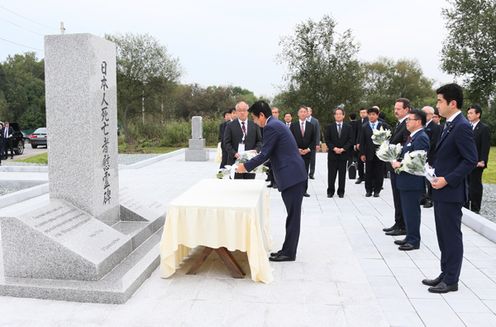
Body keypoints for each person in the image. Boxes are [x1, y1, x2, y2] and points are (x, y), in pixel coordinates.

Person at [236, 100, 307, 262]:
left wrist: (245, 167)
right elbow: (270, 151)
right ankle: (287, 249)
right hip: (293, 175)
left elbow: (265, 154)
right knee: (292, 216)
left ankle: (289, 253)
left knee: (293, 217)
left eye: (254, 118)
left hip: (292, 176)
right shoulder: (275, 124)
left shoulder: (271, 126)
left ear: (262, 115)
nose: (254, 121)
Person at [423, 83, 477, 294]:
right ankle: (445, 273)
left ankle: (452, 279)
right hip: (441, 189)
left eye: (439, 101)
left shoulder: (462, 125)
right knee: (443, 235)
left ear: (452, 103)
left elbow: (470, 160)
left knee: (451, 236)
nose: (437, 105)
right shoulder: (450, 124)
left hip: (451, 191)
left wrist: (448, 179)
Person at [391, 109, 430, 251]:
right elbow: (407, 154)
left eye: (409, 120)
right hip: (406, 181)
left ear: (418, 122)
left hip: (412, 182)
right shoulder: (413, 136)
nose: (407, 122)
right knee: (407, 211)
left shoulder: (421, 137)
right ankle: (409, 236)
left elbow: (417, 161)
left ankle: (414, 240)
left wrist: (399, 164)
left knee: (412, 211)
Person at [384, 99, 410, 236]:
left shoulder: (407, 124)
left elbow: (404, 145)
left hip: (400, 165)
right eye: (395, 108)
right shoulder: (399, 123)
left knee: (400, 197)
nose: (395, 111)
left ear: (407, 110)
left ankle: (402, 225)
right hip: (393, 165)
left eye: (399, 108)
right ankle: (398, 222)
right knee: (396, 196)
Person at [224, 101, 262, 179]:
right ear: (236, 112)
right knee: (236, 187)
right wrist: (234, 153)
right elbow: (226, 143)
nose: (242, 112)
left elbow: (260, 141)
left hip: (250, 161)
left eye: (244, 110)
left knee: (249, 186)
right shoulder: (230, 125)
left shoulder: (254, 125)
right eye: (239, 110)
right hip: (235, 161)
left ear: (248, 112)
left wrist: (255, 151)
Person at [359, 107, 390, 197]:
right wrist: (362, 153)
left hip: (380, 154)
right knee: (368, 172)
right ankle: (368, 190)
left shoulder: (383, 125)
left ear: (377, 115)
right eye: (370, 115)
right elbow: (362, 141)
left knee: (379, 172)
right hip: (368, 153)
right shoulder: (364, 126)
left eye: (373, 114)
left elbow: (387, 139)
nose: (371, 116)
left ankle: (377, 191)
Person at [465, 104, 491, 214]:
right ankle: (465, 206)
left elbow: (485, 146)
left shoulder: (484, 128)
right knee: (465, 184)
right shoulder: (466, 126)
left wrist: (483, 161)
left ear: (478, 114)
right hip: (465, 161)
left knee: (475, 185)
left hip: (477, 162)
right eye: (468, 113)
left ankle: (475, 208)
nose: (468, 115)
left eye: (471, 113)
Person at [325, 107, 354, 198]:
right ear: (334, 116)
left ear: (343, 115)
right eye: (336, 114)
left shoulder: (348, 127)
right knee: (331, 174)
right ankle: (330, 191)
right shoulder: (329, 127)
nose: (338, 115)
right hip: (332, 154)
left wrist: (343, 149)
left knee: (342, 174)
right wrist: (334, 148)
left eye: (340, 114)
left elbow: (350, 140)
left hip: (343, 154)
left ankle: (341, 191)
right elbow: (327, 140)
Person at [290, 106, 315, 197]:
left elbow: (314, 140)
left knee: (305, 172)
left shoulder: (311, 126)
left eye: (305, 111)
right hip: (296, 153)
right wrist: (297, 149)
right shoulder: (293, 125)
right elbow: (290, 139)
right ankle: (295, 190)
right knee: (295, 171)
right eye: (301, 111)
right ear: (298, 113)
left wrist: (308, 149)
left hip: (307, 153)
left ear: (307, 113)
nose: (303, 113)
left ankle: (304, 190)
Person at [422, 106, 442, 208]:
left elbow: (433, 143)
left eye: (424, 113)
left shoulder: (435, 127)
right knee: (422, 178)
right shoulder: (421, 125)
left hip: (430, 157)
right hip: (421, 156)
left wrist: (428, 158)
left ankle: (430, 199)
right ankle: (423, 197)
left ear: (430, 115)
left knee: (430, 178)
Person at [266, 107, 281, 188]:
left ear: (278, 114)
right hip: (270, 148)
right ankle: (272, 181)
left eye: (276, 112)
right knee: (270, 166)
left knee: (278, 167)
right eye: (273, 112)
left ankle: (277, 182)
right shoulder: (268, 124)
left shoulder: (280, 124)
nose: (274, 114)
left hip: (279, 149)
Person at [355, 108, 369, 184]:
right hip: (360, 145)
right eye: (361, 112)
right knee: (359, 161)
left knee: (368, 162)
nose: (362, 114)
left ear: (367, 113)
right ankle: (361, 176)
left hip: (368, 145)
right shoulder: (358, 122)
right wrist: (356, 143)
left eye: (364, 112)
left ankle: (369, 177)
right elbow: (357, 133)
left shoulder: (369, 121)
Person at [306, 107, 320, 179]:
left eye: (308, 111)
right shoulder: (302, 120)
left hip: (313, 143)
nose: (307, 112)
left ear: (311, 112)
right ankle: (304, 173)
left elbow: (318, 133)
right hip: (304, 144)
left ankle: (311, 174)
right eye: (306, 111)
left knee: (312, 159)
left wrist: (317, 144)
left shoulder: (315, 121)